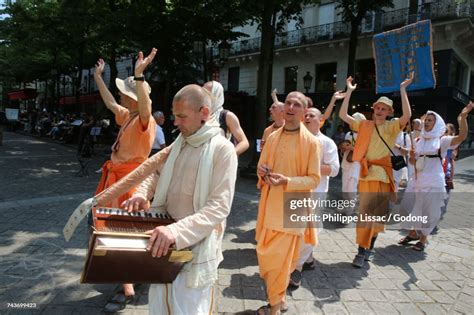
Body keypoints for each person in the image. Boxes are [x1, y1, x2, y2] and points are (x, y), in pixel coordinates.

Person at [120, 84, 238, 314]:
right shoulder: (180, 142)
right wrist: (141, 194)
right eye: (175, 116)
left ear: (204, 113)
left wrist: (176, 232)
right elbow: (155, 173)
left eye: (182, 116)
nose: (175, 123)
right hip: (163, 239)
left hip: (194, 246)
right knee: (160, 306)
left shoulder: (223, 150)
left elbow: (218, 208)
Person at [94, 49, 157, 312]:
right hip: (116, 179)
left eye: (123, 92)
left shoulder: (144, 119)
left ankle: (129, 279)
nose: (120, 94)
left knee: (127, 230)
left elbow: (146, 106)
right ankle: (127, 277)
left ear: (132, 98)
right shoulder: (127, 115)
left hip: (132, 182)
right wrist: (98, 77)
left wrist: (139, 76)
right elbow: (109, 103)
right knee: (113, 228)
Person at [255, 91, 320, 314]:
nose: (290, 107)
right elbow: (261, 167)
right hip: (271, 202)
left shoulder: (311, 142)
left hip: (293, 205)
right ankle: (279, 299)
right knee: (265, 257)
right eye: (288, 103)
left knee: (280, 262)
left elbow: (314, 179)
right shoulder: (272, 137)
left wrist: (288, 181)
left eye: (297, 104)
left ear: (303, 112)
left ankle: (274, 307)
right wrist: (262, 173)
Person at [339, 75, 412, 268]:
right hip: (366, 174)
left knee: (374, 215)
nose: (379, 111)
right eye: (377, 107)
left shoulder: (391, 127)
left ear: (389, 112)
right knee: (366, 215)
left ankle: (365, 250)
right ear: (373, 109)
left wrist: (403, 90)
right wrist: (349, 92)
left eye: (384, 109)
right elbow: (343, 116)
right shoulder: (365, 125)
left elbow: (407, 117)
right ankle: (364, 250)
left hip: (382, 175)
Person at [398, 102, 472, 250]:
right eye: (426, 120)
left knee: (429, 210)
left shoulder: (442, 140)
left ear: (437, 123)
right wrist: (412, 156)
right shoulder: (418, 140)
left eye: (430, 120)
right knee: (415, 208)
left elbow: (462, 136)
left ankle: (423, 239)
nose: (426, 122)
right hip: (418, 180)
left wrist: (463, 118)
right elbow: (413, 161)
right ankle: (413, 233)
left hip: (434, 181)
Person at [289, 106, 339, 288]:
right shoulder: (294, 139)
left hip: (316, 193)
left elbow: (334, 170)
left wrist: (310, 168)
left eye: (312, 115)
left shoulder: (327, 143)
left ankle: (297, 267)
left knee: (309, 231)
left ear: (321, 120)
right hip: (294, 190)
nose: (307, 117)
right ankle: (303, 259)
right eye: (306, 115)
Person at [203, 80, 249, 155]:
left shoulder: (227, 116)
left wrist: (229, 155)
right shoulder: (199, 114)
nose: (202, 96)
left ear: (216, 95)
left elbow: (244, 142)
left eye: (206, 93)